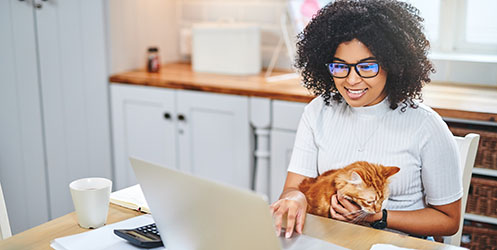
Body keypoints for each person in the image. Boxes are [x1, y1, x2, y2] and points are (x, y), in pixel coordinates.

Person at [270, 0, 462, 240]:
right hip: (333, 241)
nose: (351, 80)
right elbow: (294, 188)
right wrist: (294, 200)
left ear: (392, 64)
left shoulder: (426, 126)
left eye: (367, 66)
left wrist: (379, 217)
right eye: (340, 66)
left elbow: (449, 220)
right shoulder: (319, 111)